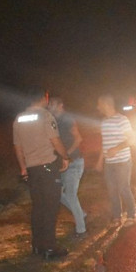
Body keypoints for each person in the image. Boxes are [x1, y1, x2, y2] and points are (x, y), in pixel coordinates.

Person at [13, 89, 70, 259]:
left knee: (38, 207)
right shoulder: (45, 116)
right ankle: (50, 248)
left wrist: (23, 167)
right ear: (43, 98)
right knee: (50, 208)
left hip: (32, 170)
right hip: (47, 168)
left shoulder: (19, 118)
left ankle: (37, 246)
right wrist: (65, 157)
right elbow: (55, 140)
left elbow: (18, 147)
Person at [48, 96, 87, 239]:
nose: (50, 106)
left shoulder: (67, 119)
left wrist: (66, 155)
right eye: (49, 104)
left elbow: (78, 139)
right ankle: (81, 214)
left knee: (70, 194)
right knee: (58, 194)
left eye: (52, 104)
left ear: (60, 106)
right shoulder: (52, 120)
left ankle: (81, 230)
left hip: (74, 162)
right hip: (62, 163)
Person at [96, 94, 136, 226]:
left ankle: (131, 215)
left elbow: (131, 139)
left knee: (123, 188)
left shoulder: (122, 120)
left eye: (99, 104)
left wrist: (116, 148)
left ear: (106, 105)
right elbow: (104, 143)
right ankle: (116, 217)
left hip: (123, 161)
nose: (97, 107)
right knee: (112, 190)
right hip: (109, 163)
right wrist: (99, 161)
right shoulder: (104, 122)